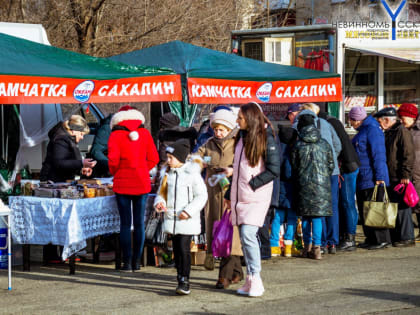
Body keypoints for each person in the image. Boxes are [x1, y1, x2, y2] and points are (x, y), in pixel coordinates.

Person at [227, 102, 280, 297]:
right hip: (240, 195)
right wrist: (228, 194)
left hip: (256, 196)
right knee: (244, 237)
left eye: (240, 117)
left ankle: (256, 278)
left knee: (249, 235)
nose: (237, 121)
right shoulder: (241, 138)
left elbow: (274, 169)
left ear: (249, 118)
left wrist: (252, 184)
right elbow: (239, 169)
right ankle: (250, 279)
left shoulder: (266, 138)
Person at [108, 105, 159, 272]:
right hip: (142, 181)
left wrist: (117, 171)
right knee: (139, 224)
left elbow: (113, 161)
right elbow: (154, 158)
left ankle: (127, 263)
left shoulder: (115, 135)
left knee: (125, 224)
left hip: (122, 183)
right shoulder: (145, 133)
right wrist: (143, 168)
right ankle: (137, 262)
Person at [154, 139, 208, 295]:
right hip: (171, 218)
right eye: (167, 157)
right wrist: (160, 202)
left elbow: (201, 196)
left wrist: (189, 211)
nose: (168, 161)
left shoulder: (192, 175)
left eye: (171, 158)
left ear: (181, 158)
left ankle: (185, 280)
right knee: (176, 249)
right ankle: (179, 276)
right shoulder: (167, 174)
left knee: (184, 249)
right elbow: (161, 193)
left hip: (187, 220)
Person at [196, 108, 243, 287]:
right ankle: (237, 272)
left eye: (222, 129)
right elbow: (197, 157)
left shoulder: (238, 142)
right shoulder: (208, 143)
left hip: (232, 194)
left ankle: (223, 277)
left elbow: (246, 164)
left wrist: (231, 170)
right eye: (216, 129)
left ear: (230, 128)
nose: (218, 132)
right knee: (219, 232)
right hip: (213, 193)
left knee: (230, 234)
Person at [40, 115, 96, 263]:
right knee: (56, 219)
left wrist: (82, 169)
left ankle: (61, 254)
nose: (83, 137)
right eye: (82, 134)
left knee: (60, 219)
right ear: (74, 130)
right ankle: (52, 255)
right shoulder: (61, 140)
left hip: (60, 183)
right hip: (54, 183)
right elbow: (59, 163)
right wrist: (81, 163)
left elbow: (67, 163)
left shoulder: (66, 139)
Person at [295, 104, 342, 254]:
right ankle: (332, 243)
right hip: (329, 174)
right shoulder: (326, 124)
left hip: (306, 177)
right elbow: (337, 145)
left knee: (312, 212)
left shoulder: (299, 129)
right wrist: (326, 168)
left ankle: (318, 244)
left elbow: (294, 162)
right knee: (330, 208)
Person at [317, 110, 361, 252]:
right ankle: (346, 236)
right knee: (345, 203)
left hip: (348, 166)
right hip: (348, 165)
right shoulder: (332, 121)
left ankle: (350, 239)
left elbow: (339, 146)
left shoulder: (328, 123)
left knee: (347, 202)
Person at [349, 107, 391, 250]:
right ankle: (371, 238)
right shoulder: (363, 131)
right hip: (363, 176)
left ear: (357, 120)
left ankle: (381, 239)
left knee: (376, 209)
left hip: (373, 178)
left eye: (351, 120)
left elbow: (378, 155)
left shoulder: (372, 130)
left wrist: (380, 177)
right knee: (365, 208)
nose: (350, 123)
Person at [375, 107, 415, 247]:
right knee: (395, 206)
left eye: (380, 121)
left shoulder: (401, 131)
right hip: (392, 176)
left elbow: (408, 154)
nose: (379, 124)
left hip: (399, 176)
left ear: (387, 119)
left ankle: (407, 237)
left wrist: (405, 174)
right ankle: (398, 236)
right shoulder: (390, 132)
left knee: (403, 207)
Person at [270, 126, 298, 257]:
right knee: (291, 217)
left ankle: (274, 245)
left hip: (278, 188)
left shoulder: (276, 149)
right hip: (290, 189)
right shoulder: (290, 150)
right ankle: (288, 246)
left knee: (277, 217)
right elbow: (288, 172)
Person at [398, 103, 420, 240]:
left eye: (403, 117)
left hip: (418, 171)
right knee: (414, 200)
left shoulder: (417, 130)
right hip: (411, 171)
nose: (401, 120)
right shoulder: (404, 130)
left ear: (411, 117)